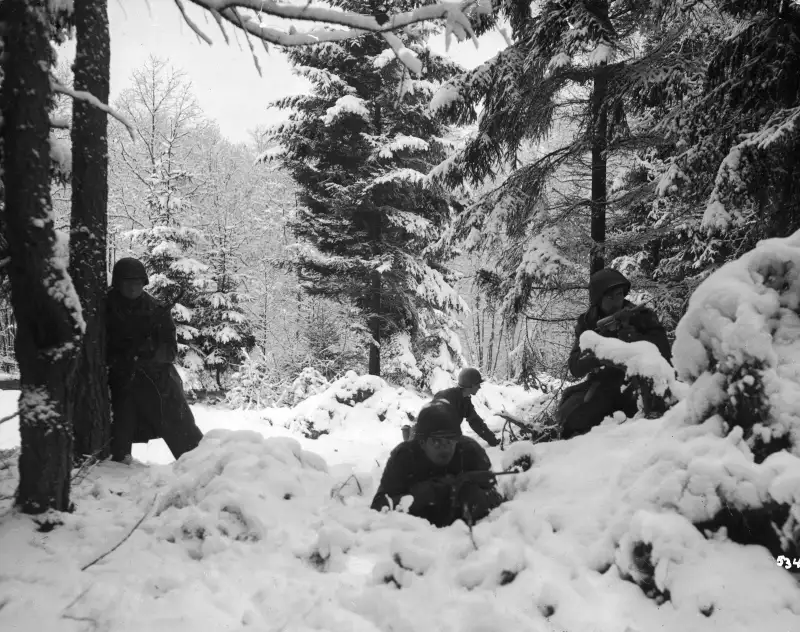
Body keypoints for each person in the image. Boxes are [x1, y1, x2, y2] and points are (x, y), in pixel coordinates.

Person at [106, 257, 203, 464]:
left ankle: (196, 464)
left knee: (179, 423)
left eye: (138, 282)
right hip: (116, 380)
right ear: (118, 283)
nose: (133, 287)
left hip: (155, 380)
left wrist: (149, 353)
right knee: (117, 432)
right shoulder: (104, 308)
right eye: (127, 282)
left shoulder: (157, 310)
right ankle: (115, 469)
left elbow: (170, 351)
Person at [557, 268, 672, 440]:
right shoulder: (588, 322)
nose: (616, 301)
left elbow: (664, 354)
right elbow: (575, 367)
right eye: (610, 297)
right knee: (571, 417)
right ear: (598, 299)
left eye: (619, 294)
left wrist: (635, 339)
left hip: (639, 385)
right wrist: (601, 345)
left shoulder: (642, 317)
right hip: (604, 384)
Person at [371, 400, 504, 528]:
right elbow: (379, 506)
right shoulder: (404, 456)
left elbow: (497, 496)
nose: (444, 448)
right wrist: (421, 496)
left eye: (449, 441)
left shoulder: (470, 451)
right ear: (422, 442)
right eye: (436, 442)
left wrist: (472, 497)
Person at [431, 367, 499, 447]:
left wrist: (492, 440)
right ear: (471, 385)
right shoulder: (445, 397)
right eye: (478, 385)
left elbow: (475, 422)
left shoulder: (465, 401)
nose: (479, 387)